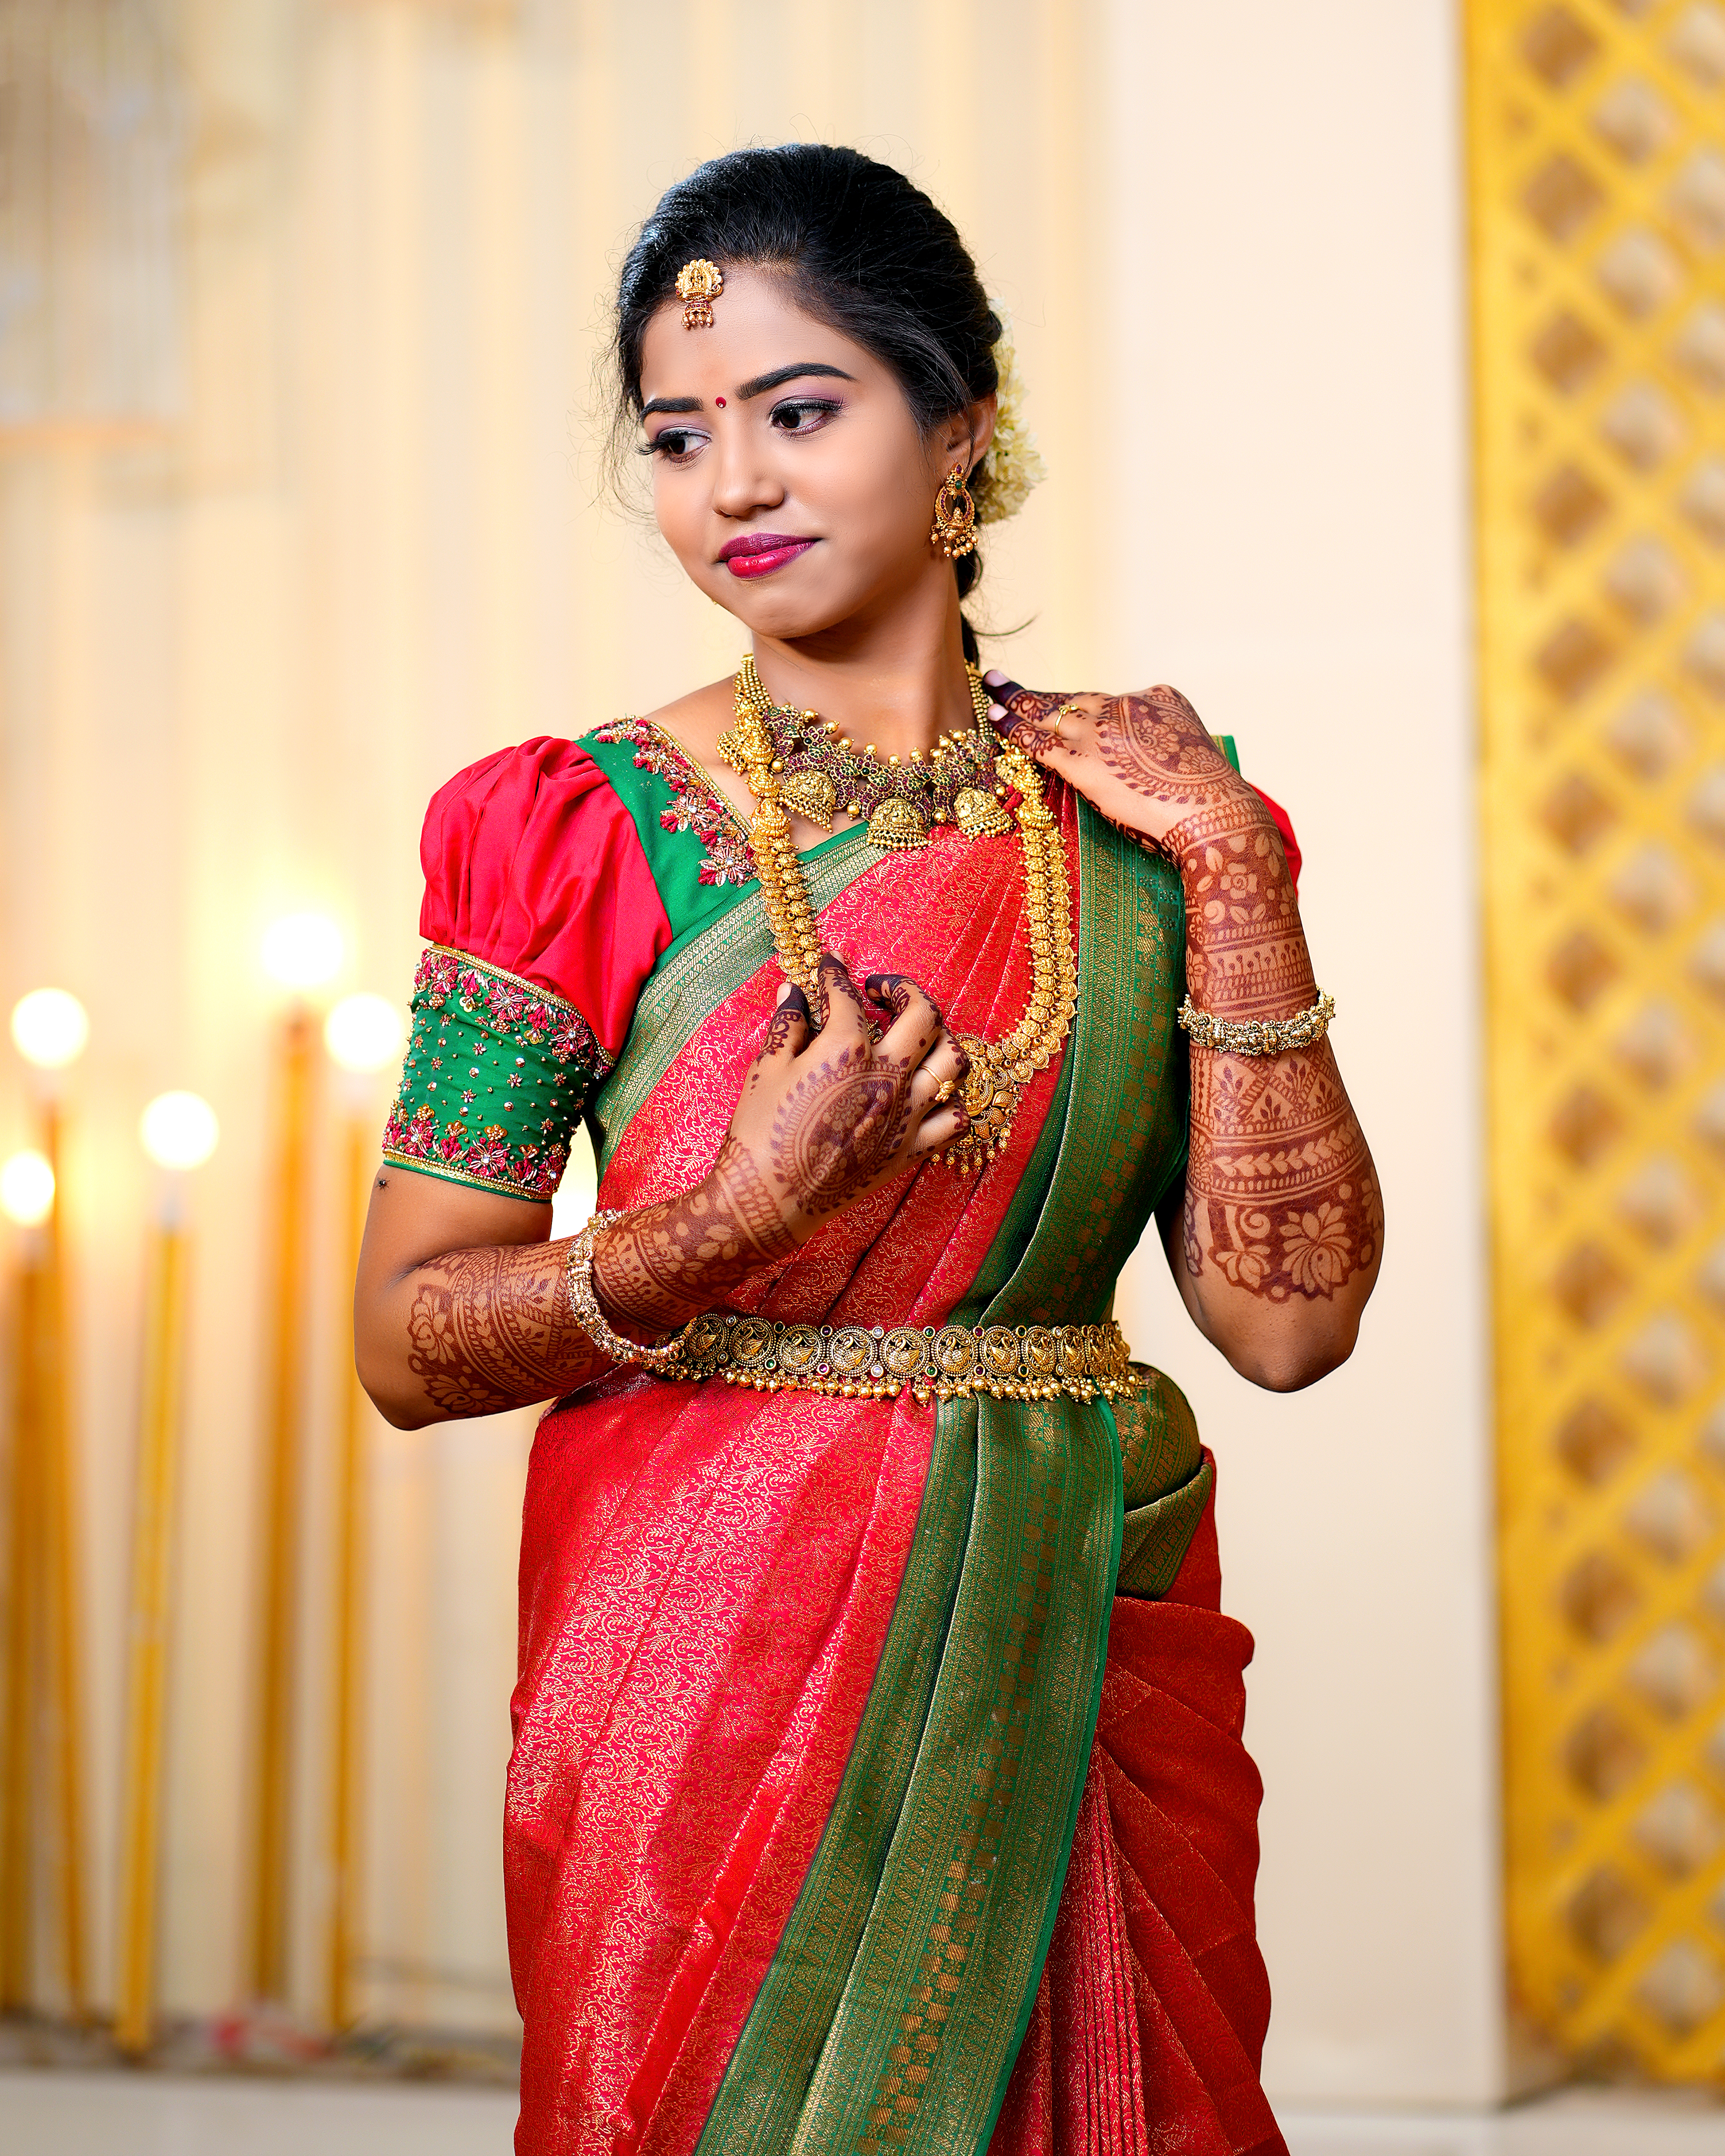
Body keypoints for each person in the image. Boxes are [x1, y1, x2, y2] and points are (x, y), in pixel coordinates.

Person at [354, 143, 1380, 2156]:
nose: (731, 483)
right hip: (699, 1669)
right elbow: (405, 1344)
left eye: (799, 412)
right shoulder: (568, 830)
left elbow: (1287, 1329)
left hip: (1082, 1609)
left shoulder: (1159, 821)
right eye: (676, 436)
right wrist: (736, 1215)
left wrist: (1245, 882)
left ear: (960, 432)